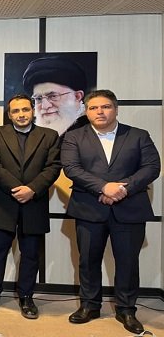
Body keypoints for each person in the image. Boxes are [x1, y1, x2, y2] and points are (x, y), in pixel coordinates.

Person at [61, 90, 160, 334]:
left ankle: (126, 309)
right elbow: (71, 168)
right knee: (88, 261)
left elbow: (152, 167)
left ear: (116, 109)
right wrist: (103, 187)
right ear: (86, 111)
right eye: (93, 108)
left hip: (129, 208)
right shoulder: (74, 137)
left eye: (105, 107)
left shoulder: (138, 135)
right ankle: (89, 305)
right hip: (89, 208)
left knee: (128, 262)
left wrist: (122, 188)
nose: (100, 112)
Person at [0, 95, 61, 319]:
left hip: (34, 202)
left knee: (31, 254)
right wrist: (17, 188)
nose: (21, 114)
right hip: (3, 202)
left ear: (33, 111)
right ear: (9, 114)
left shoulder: (49, 136)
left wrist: (32, 189)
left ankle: (26, 297)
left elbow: (54, 167)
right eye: (15, 111)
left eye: (25, 109)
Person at [22, 56, 89, 136]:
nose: (45, 106)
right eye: (39, 98)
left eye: (53, 96)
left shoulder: (90, 133)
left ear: (77, 97)